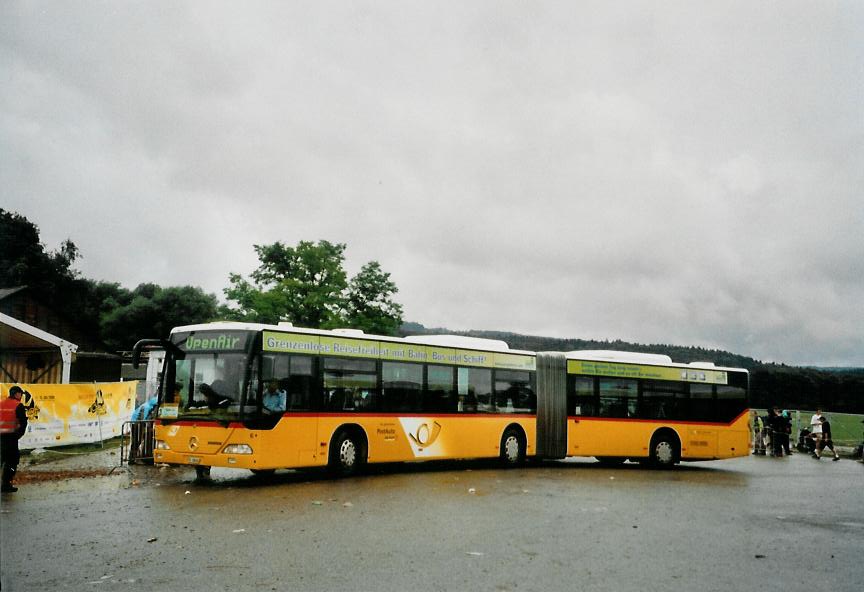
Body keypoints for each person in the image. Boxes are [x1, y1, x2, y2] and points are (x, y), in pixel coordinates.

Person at [1, 385, 29, 493]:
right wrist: (19, 435)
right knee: (12, 461)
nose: (21, 396)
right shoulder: (18, 405)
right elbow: (23, 423)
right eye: (20, 394)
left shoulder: (1, 403)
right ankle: (6, 484)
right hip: (11, 437)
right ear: (16, 394)